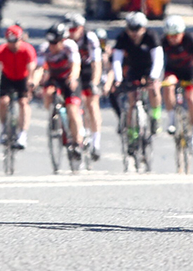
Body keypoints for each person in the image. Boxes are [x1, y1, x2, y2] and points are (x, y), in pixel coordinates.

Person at [109, 12, 164, 147]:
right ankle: (132, 132)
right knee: (131, 99)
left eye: (137, 29)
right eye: (131, 30)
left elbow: (158, 59)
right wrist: (118, 78)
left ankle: (156, 117)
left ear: (144, 28)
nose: (134, 33)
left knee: (154, 89)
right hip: (134, 69)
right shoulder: (122, 38)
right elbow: (117, 60)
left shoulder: (151, 37)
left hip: (150, 69)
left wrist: (154, 76)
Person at [35, 22, 83, 153]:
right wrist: (34, 82)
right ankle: (54, 115)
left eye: (55, 43)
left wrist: (73, 78)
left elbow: (76, 65)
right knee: (48, 94)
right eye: (50, 43)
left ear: (63, 40)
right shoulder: (44, 49)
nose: (52, 46)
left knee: (72, 110)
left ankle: (77, 141)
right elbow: (39, 68)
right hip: (54, 79)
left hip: (68, 78)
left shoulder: (70, 46)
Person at [160, 15, 193, 156]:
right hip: (173, 71)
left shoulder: (190, 39)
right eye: (170, 36)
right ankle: (171, 118)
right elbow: (159, 60)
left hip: (189, 72)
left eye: (176, 35)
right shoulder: (163, 42)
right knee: (168, 85)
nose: (173, 39)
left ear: (182, 33)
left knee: (192, 100)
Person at [0, 24, 36, 150]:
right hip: (8, 77)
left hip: (22, 77)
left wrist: (30, 83)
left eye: (15, 42)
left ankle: (22, 134)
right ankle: (4, 127)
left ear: (20, 39)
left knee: (23, 102)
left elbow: (31, 69)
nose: (13, 45)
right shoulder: (1, 50)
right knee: (3, 101)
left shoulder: (27, 49)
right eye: (10, 42)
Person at [66, 13, 104, 160]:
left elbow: (97, 63)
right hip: (72, 71)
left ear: (81, 28)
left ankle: (96, 142)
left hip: (88, 70)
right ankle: (78, 134)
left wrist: (95, 82)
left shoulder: (90, 38)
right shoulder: (66, 38)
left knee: (92, 103)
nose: (72, 32)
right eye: (70, 29)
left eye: (75, 28)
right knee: (73, 102)